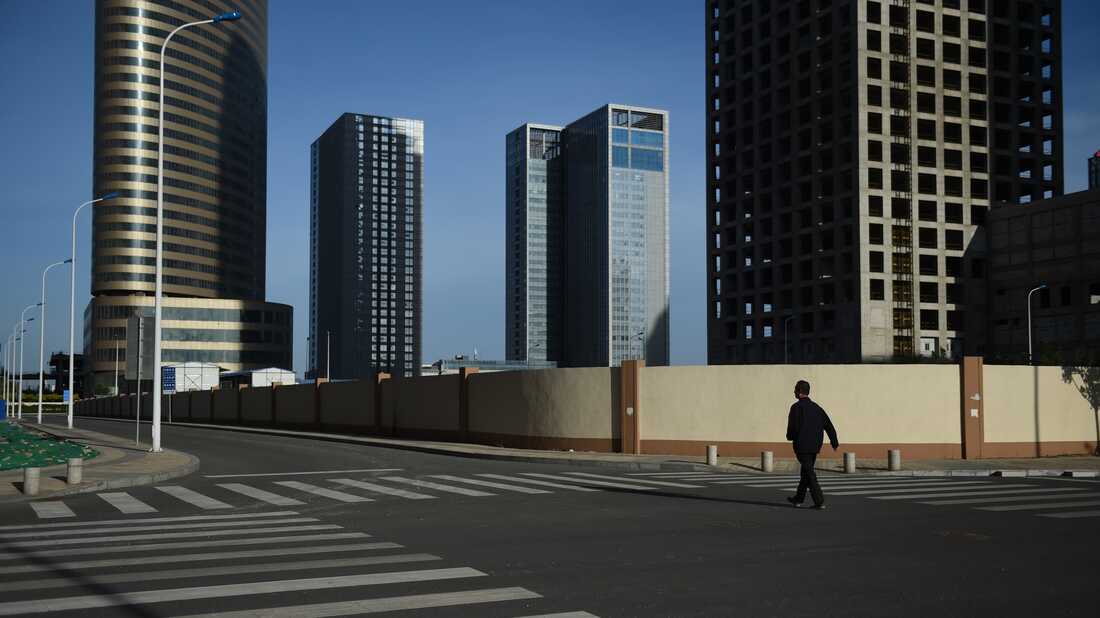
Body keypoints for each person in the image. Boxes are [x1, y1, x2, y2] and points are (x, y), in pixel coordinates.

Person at [785, 379, 838, 510]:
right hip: (815, 446)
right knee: (806, 471)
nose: (794, 392)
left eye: (795, 389)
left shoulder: (796, 407)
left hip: (802, 446)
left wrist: (790, 436)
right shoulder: (817, 408)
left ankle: (819, 501)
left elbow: (793, 427)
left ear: (799, 392)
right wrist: (834, 441)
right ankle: (798, 498)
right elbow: (828, 425)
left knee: (809, 473)